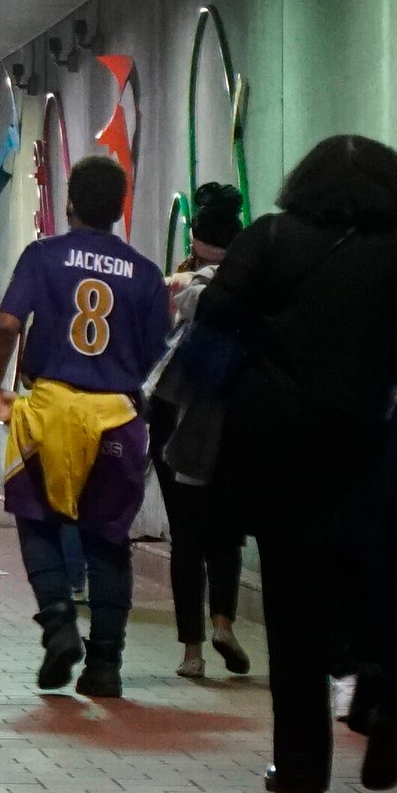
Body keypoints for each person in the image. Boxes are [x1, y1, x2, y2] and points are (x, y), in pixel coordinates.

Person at [194, 134, 397, 793]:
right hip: (378, 448)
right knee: (374, 587)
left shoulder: (272, 240)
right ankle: (380, 694)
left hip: (283, 450)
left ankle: (303, 763)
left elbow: (215, 318)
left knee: (293, 608)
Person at [0, 154, 169, 698]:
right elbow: (158, 357)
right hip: (116, 412)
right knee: (109, 540)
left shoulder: (45, 256)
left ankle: (60, 620)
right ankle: (106, 666)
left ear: (69, 202)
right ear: (120, 208)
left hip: (53, 407)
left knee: (36, 518)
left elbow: (6, 324)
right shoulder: (145, 273)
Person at [150, 181, 254, 680]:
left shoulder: (181, 286)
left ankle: (191, 653)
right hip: (232, 417)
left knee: (186, 537)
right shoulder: (254, 285)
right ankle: (224, 623)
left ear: (195, 238)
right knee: (225, 534)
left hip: (175, 414)